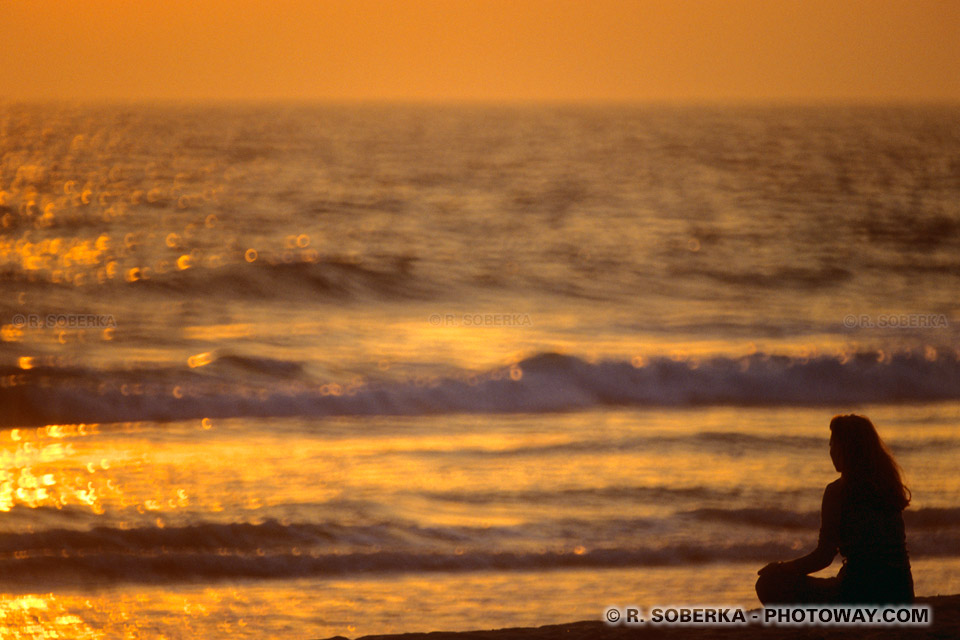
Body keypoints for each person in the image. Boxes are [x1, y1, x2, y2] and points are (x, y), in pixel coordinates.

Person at [755, 414, 914, 604]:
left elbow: (823, 557)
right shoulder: (887, 485)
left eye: (833, 445)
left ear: (847, 449)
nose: (831, 452)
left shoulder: (838, 491)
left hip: (859, 594)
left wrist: (781, 568)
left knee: (768, 583)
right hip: (901, 593)